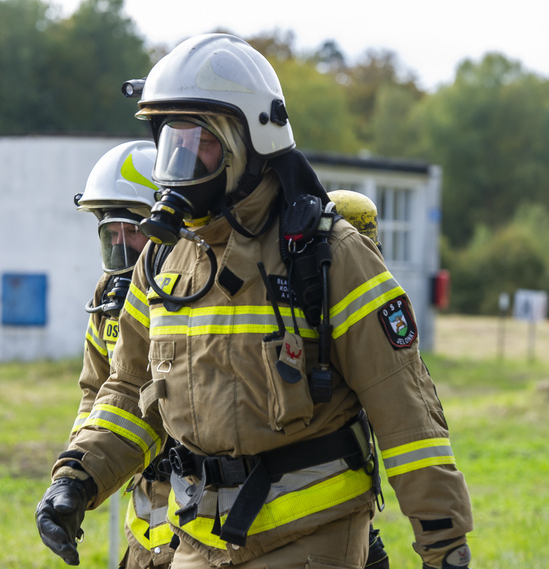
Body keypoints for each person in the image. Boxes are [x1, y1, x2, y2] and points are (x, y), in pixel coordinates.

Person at [37, 33, 473, 569]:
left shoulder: (327, 253)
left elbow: (403, 408)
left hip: (311, 535)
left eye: (201, 141)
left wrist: (443, 543)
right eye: (172, 141)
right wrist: (76, 478)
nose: (183, 160)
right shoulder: (161, 262)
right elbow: (128, 391)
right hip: (198, 538)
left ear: (250, 141)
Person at [67, 140, 176, 569]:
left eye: (132, 230)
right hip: (146, 514)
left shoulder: (192, 293)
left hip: (208, 508)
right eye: (110, 233)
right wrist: (74, 478)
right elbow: (96, 394)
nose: (122, 244)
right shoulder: (107, 298)